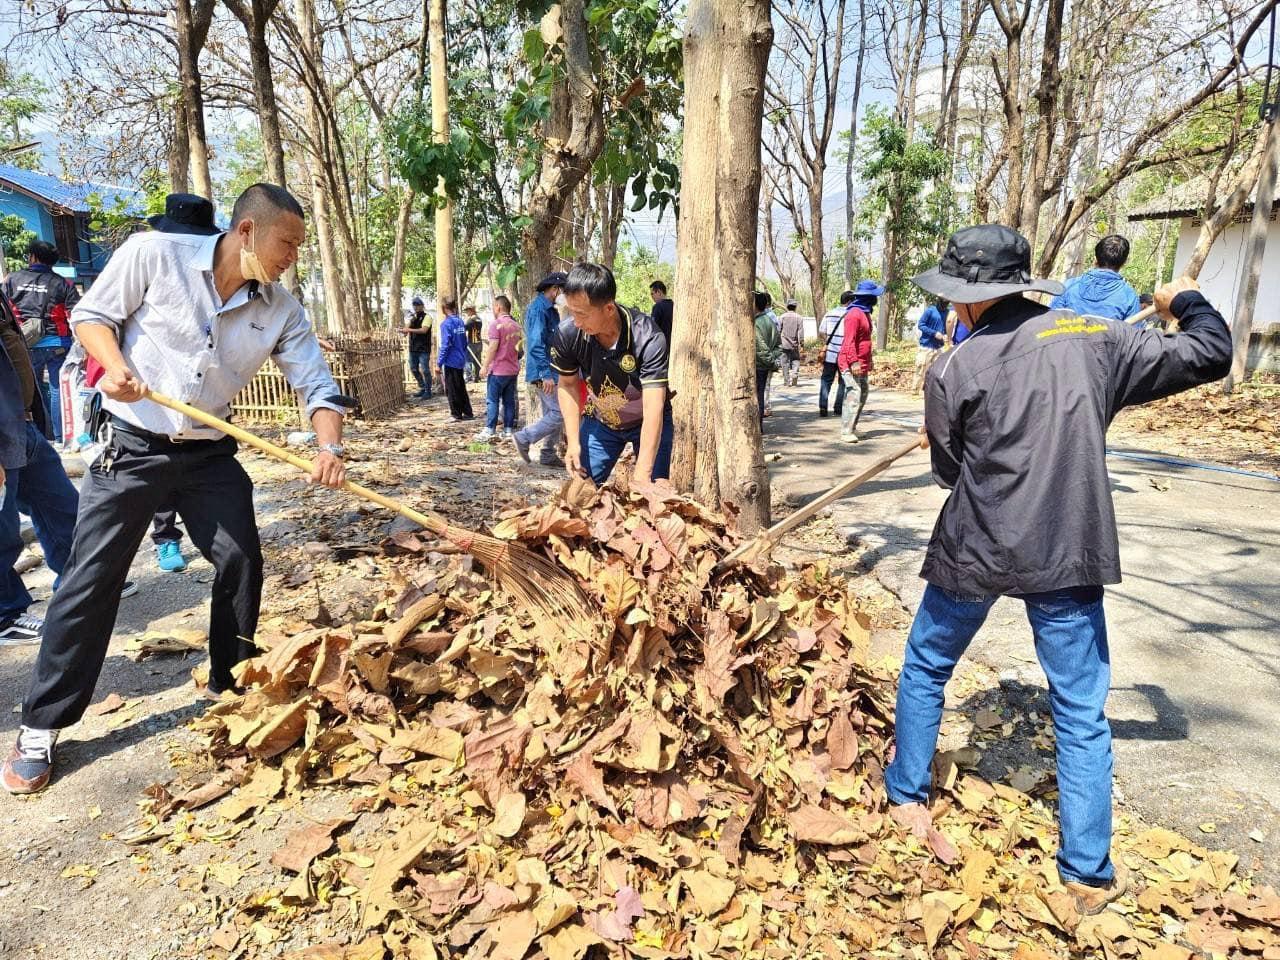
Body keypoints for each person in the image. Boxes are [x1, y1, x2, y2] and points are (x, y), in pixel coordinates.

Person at [885, 223, 1232, 917]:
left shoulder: (954, 368)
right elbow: (1211, 351)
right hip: (1066, 544)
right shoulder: (1100, 339)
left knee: (926, 666)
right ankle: (1086, 874)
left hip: (977, 544)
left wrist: (949, 423)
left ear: (974, 299)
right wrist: (1187, 300)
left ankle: (905, 800)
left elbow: (950, 472)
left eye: (956, 298)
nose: (953, 309)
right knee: (1078, 708)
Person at [1, 183, 349, 796]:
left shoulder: (282, 310)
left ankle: (229, 679)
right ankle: (42, 723)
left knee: (241, 557)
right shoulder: (151, 254)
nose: (293, 253)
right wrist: (115, 366)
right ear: (245, 231)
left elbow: (316, 385)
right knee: (91, 576)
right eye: (286, 241)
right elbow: (91, 318)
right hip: (133, 442)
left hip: (208, 453)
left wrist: (329, 446)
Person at [550, 262, 673, 486]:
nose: (576, 322)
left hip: (648, 421)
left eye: (582, 314)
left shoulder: (648, 337)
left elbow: (654, 405)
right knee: (579, 493)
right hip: (602, 421)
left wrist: (642, 475)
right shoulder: (568, 334)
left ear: (608, 308)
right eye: (571, 312)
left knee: (651, 495)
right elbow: (567, 385)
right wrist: (574, 440)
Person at [2, 240, 79, 446]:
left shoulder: (11, 280)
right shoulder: (63, 283)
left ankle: (42, 438)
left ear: (33, 257)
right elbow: (76, 314)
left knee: (30, 391)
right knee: (58, 390)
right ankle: (62, 437)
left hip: (23, 345)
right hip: (57, 344)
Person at [513, 272, 568, 468]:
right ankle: (523, 437)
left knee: (551, 413)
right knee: (559, 412)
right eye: (563, 291)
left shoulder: (550, 310)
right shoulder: (538, 310)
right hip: (543, 371)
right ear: (555, 290)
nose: (565, 295)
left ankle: (547, 453)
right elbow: (535, 344)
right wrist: (545, 374)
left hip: (550, 369)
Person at [1050, 234, 1142, 322]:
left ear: (1096, 259)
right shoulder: (1129, 297)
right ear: (1124, 263)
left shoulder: (1069, 286)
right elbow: (1134, 334)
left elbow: (1050, 320)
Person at [836, 279, 883, 443]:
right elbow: (849, 341)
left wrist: (869, 360)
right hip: (851, 362)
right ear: (867, 297)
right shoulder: (854, 314)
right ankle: (845, 431)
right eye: (874, 296)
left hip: (862, 362)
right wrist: (854, 362)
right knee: (853, 395)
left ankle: (853, 427)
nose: (876, 299)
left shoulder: (865, 313)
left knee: (863, 394)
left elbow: (865, 340)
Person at [477, 295, 521, 442]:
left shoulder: (495, 325)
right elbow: (519, 350)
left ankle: (490, 429)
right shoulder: (516, 326)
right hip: (512, 370)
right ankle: (508, 430)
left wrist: (484, 366)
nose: (492, 309)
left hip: (498, 370)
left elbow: (493, 347)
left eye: (493, 306)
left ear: (498, 307)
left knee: (492, 400)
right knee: (509, 401)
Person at [435, 296, 474, 421]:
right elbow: (464, 341)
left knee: (451, 388)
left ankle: (456, 414)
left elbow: (445, 345)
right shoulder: (460, 321)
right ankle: (467, 412)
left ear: (444, 308)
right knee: (460, 386)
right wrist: (462, 354)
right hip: (460, 358)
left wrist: (439, 363)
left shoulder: (446, 324)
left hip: (451, 360)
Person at [817, 290, 854, 417]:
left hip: (831, 354)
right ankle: (838, 407)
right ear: (849, 301)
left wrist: (830, 340)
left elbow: (821, 331)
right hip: (845, 355)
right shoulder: (851, 315)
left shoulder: (830, 313)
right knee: (843, 382)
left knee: (826, 380)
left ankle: (823, 407)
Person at [753, 291, 782, 429]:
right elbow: (778, 347)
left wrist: (771, 361)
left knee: (757, 397)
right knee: (761, 395)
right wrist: (773, 360)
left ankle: (757, 428)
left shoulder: (756, 323)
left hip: (759, 365)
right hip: (765, 366)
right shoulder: (770, 321)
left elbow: (761, 349)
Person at [912, 298, 950, 393]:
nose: (944, 304)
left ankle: (930, 392)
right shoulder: (930, 310)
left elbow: (946, 327)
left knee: (937, 372)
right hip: (926, 346)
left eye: (947, 302)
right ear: (939, 301)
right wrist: (934, 333)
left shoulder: (947, 312)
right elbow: (921, 325)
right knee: (921, 369)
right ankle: (915, 391)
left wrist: (945, 334)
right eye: (943, 302)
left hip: (939, 347)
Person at [401, 296, 434, 400]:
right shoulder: (413, 317)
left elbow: (423, 330)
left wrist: (409, 329)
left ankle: (428, 391)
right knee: (413, 368)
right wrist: (404, 330)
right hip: (413, 348)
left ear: (422, 306)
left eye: (418, 305)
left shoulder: (427, 317)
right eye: (414, 305)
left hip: (424, 348)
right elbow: (406, 330)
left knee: (425, 370)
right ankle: (422, 387)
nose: (416, 307)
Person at [777, 298, 805, 387]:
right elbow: (800, 332)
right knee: (795, 361)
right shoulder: (799, 318)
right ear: (795, 307)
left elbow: (778, 330)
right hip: (794, 345)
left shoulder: (782, 317)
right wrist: (802, 344)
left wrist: (777, 343)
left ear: (787, 306)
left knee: (784, 363)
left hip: (784, 344)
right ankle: (794, 377)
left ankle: (786, 381)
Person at [463, 306, 484, 382]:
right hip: (479, 343)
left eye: (468, 311)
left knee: (467, 360)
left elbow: (464, 328)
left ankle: (468, 377)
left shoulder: (471, 320)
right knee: (477, 361)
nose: (467, 313)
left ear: (472, 311)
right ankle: (477, 377)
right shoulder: (479, 319)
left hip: (472, 344)